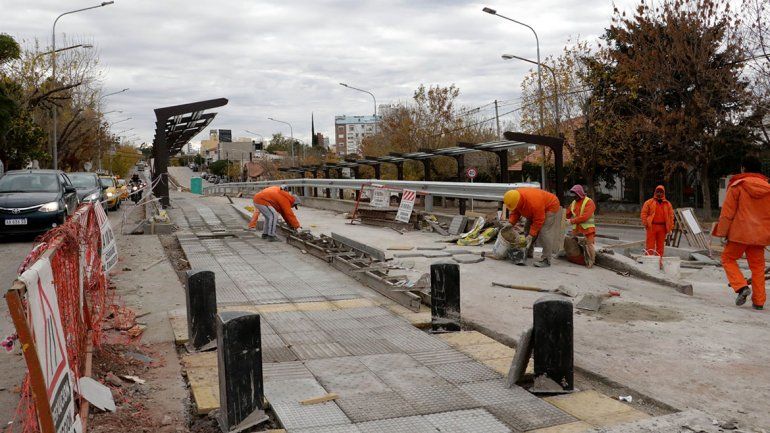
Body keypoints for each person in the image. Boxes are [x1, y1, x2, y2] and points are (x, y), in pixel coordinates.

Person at [713, 156, 770, 310]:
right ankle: (759, 302)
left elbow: (727, 213)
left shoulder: (738, 186)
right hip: (760, 236)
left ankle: (741, 287)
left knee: (727, 258)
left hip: (739, 233)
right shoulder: (768, 189)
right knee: (758, 267)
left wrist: (722, 232)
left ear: (744, 168)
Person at [503, 188, 561, 267]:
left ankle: (546, 259)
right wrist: (511, 223)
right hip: (534, 208)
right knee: (527, 228)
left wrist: (531, 234)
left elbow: (539, 220)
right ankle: (528, 252)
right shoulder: (514, 197)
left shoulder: (534, 203)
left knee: (544, 232)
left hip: (550, 206)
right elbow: (515, 211)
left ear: (519, 201)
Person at [565, 184, 596, 268]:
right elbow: (567, 214)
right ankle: (581, 259)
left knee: (589, 245)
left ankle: (591, 261)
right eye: (573, 195)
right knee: (574, 245)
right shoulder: (573, 203)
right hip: (577, 229)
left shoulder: (589, 202)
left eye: (575, 195)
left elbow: (585, 217)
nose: (574, 197)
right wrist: (562, 219)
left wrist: (571, 221)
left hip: (587, 229)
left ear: (580, 193)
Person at [640, 185, 674, 256]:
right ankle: (648, 262)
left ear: (663, 193)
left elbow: (671, 217)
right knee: (650, 245)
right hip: (651, 227)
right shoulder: (649, 202)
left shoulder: (668, 204)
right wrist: (645, 223)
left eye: (661, 192)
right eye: (658, 192)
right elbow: (644, 213)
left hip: (662, 228)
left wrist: (670, 228)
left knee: (660, 247)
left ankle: (659, 262)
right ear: (655, 192)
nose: (659, 193)